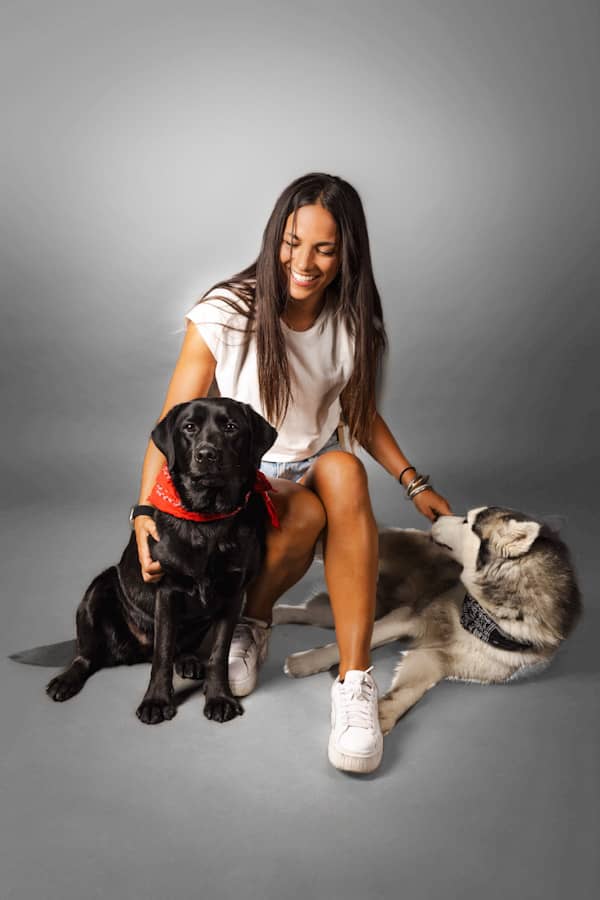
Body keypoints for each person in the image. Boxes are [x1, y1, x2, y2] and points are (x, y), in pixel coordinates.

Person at [132, 172, 452, 774]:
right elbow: (170, 422)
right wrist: (144, 511)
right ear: (274, 236)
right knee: (304, 509)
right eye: (291, 241)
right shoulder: (226, 312)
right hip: (249, 480)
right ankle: (250, 622)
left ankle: (354, 684)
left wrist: (415, 483)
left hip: (319, 465)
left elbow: (359, 412)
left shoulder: (354, 322)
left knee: (344, 471)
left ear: (346, 253)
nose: (303, 262)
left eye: (324, 249)